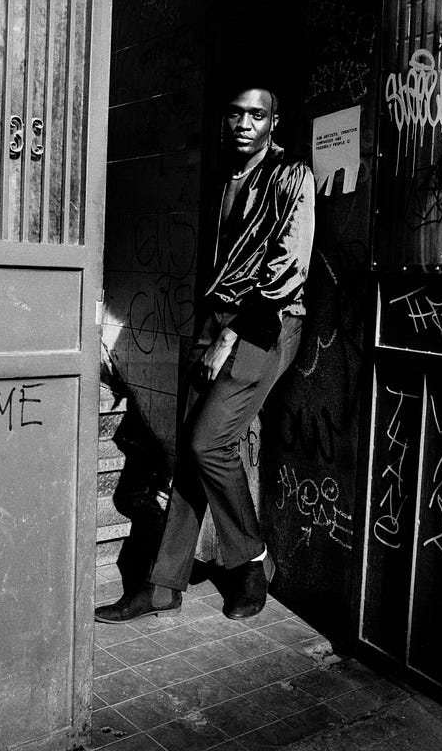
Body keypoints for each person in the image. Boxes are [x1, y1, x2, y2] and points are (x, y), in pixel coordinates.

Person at [95, 82, 316, 623]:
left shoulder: (292, 175)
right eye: (236, 114)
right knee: (188, 454)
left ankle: (252, 562)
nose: (244, 124)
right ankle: (163, 584)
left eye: (256, 115)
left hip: (265, 324)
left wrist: (229, 336)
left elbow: (289, 268)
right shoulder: (227, 177)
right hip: (215, 319)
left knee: (208, 444)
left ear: (273, 123)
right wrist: (212, 326)